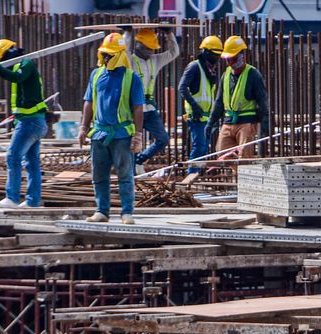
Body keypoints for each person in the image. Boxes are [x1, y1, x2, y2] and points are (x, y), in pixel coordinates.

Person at [78, 33, 145, 225]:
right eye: (104, 54)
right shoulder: (96, 74)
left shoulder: (132, 78)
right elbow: (88, 102)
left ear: (120, 55)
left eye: (109, 55)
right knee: (99, 175)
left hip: (122, 134)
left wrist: (138, 135)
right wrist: (84, 127)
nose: (105, 58)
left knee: (125, 174)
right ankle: (102, 211)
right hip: (99, 134)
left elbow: (138, 107)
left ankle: (127, 212)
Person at [0, 39, 48, 208]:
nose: (4, 65)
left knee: (12, 156)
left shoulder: (26, 64)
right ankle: (32, 201)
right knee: (31, 162)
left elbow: (18, 78)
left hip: (31, 122)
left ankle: (12, 198)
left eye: (3, 60)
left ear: (8, 53)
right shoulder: (20, 66)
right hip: (32, 121)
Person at [205, 36, 270, 159]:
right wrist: (211, 122)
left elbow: (263, 102)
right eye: (227, 59)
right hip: (229, 121)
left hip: (247, 123)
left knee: (244, 155)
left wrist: (264, 125)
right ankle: (240, 172)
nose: (230, 62)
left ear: (241, 56)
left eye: (233, 59)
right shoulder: (226, 75)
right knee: (221, 151)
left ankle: (244, 174)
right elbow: (219, 102)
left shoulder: (253, 74)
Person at [130, 28, 180, 166]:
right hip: (133, 109)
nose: (151, 52)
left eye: (153, 48)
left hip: (150, 109)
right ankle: (132, 171)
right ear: (138, 45)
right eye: (148, 48)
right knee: (133, 142)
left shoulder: (155, 60)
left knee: (163, 139)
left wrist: (169, 34)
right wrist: (127, 33)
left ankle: (140, 159)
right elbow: (123, 52)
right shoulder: (129, 60)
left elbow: (173, 52)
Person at [178, 36, 222, 174]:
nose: (216, 58)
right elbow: (182, 88)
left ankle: (196, 173)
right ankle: (192, 174)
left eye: (218, 55)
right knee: (199, 147)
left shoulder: (210, 71)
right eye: (214, 54)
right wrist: (194, 106)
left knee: (203, 148)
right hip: (196, 116)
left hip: (207, 118)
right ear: (206, 52)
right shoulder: (195, 66)